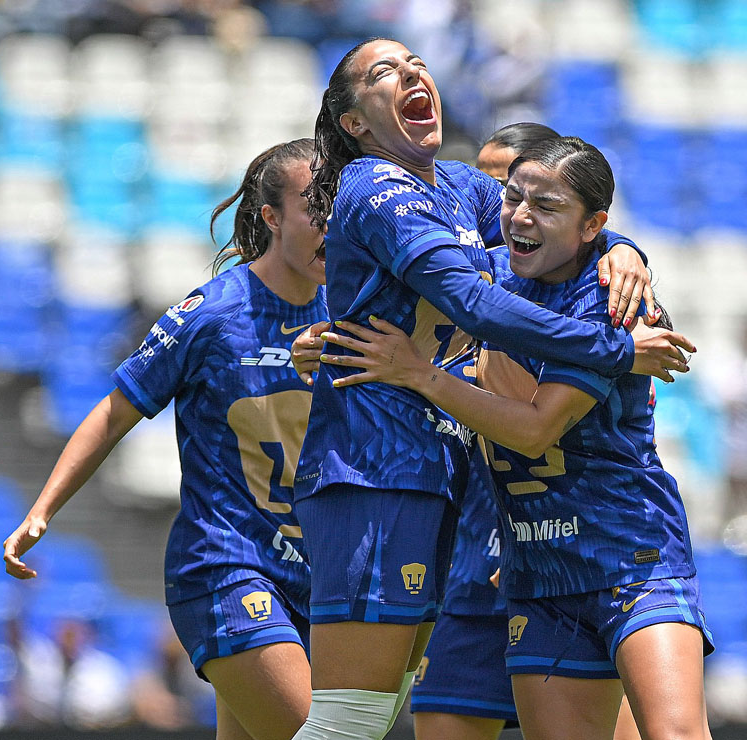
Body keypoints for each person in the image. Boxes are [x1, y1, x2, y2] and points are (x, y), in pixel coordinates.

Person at [289, 38, 691, 740]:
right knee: (349, 722)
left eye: (416, 62)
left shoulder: (454, 187)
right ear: (353, 123)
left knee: (373, 717)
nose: (412, 72)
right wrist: (617, 349)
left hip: (442, 473)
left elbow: (551, 221)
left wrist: (625, 249)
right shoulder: (376, 189)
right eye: (384, 72)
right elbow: (473, 303)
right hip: (375, 470)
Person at [3, 139, 326, 740]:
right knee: (320, 733)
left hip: (318, 571)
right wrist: (41, 512)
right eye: (314, 205)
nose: (330, 222)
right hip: (228, 566)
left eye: (338, 204)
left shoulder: (352, 314)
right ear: (271, 217)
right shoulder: (211, 314)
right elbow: (114, 412)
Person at [410, 122, 641, 740]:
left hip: (567, 559)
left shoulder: (604, 288)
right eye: (492, 182)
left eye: (513, 180)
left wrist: (623, 251)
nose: (498, 198)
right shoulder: (464, 282)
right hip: (473, 570)